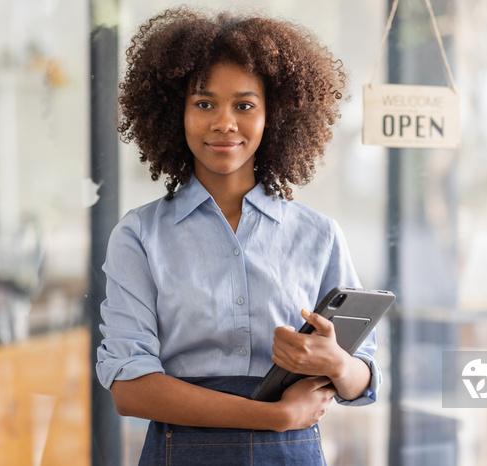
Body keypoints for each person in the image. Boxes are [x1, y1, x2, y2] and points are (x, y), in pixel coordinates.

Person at [96, 7, 381, 465]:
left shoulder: (319, 235)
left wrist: (334, 362)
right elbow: (130, 390)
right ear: (176, 113)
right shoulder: (139, 236)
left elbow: (363, 380)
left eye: (244, 105)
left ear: (275, 116)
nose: (224, 123)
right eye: (204, 104)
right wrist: (274, 418)